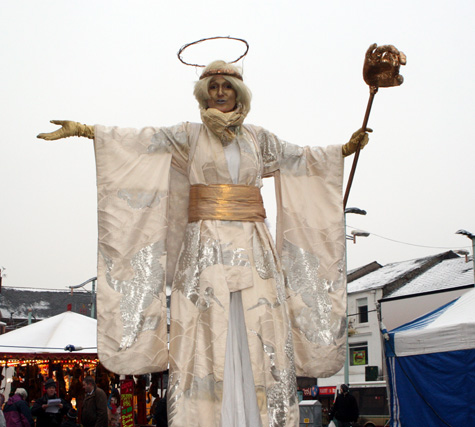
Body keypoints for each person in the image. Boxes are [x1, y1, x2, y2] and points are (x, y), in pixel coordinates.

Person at [37, 59, 376, 426]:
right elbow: (140, 142)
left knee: (259, 324)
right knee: (204, 329)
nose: (219, 92)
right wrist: (87, 131)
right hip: (205, 248)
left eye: (226, 86)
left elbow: (300, 158)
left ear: (238, 92)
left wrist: (342, 149)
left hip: (252, 246)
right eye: (212, 87)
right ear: (204, 94)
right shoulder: (189, 135)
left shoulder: (258, 139)